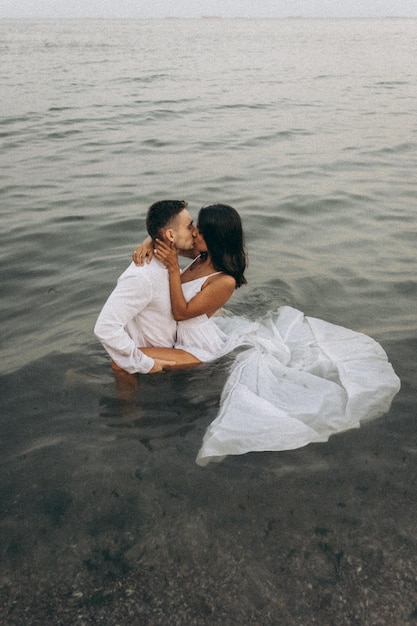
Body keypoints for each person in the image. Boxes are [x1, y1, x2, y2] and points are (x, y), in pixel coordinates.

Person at [132, 203, 401, 467]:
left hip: (199, 348)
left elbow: (181, 312)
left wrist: (170, 269)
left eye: (200, 230)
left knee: (132, 357)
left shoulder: (223, 281)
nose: (194, 234)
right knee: (130, 353)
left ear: (214, 237)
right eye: (195, 228)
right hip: (178, 336)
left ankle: (130, 414)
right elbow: (165, 238)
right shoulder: (201, 256)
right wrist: (147, 244)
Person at [94, 199, 200, 375]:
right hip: (149, 369)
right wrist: (147, 364)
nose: (195, 232)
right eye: (189, 226)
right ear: (171, 236)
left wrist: (150, 242)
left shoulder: (168, 263)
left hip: (171, 354)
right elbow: (105, 327)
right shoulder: (141, 276)